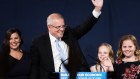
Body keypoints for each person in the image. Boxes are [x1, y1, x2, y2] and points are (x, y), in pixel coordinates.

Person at [29, 0, 103, 79]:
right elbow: (34, 69)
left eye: (63, 26)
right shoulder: (38, 43)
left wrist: (97, 8)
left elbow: (84, 27)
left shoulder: (68, 33)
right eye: (58, 27)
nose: (61, 29)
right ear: (49, 27)